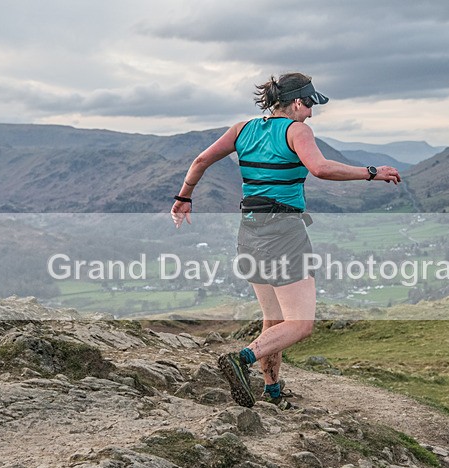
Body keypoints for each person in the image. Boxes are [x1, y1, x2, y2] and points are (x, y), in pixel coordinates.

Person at [171, 72, 401, 409]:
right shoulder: (296, 130)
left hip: (249, 231)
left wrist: (184, 197)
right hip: (284, 233)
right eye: (310, 106)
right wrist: (371, 172)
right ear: (297, 102)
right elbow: (320, 168)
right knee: (301, 324)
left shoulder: (242, 129)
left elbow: (201, 160)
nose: (310, 114)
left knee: (275, 320)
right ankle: (242, 358)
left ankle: (273, 392)